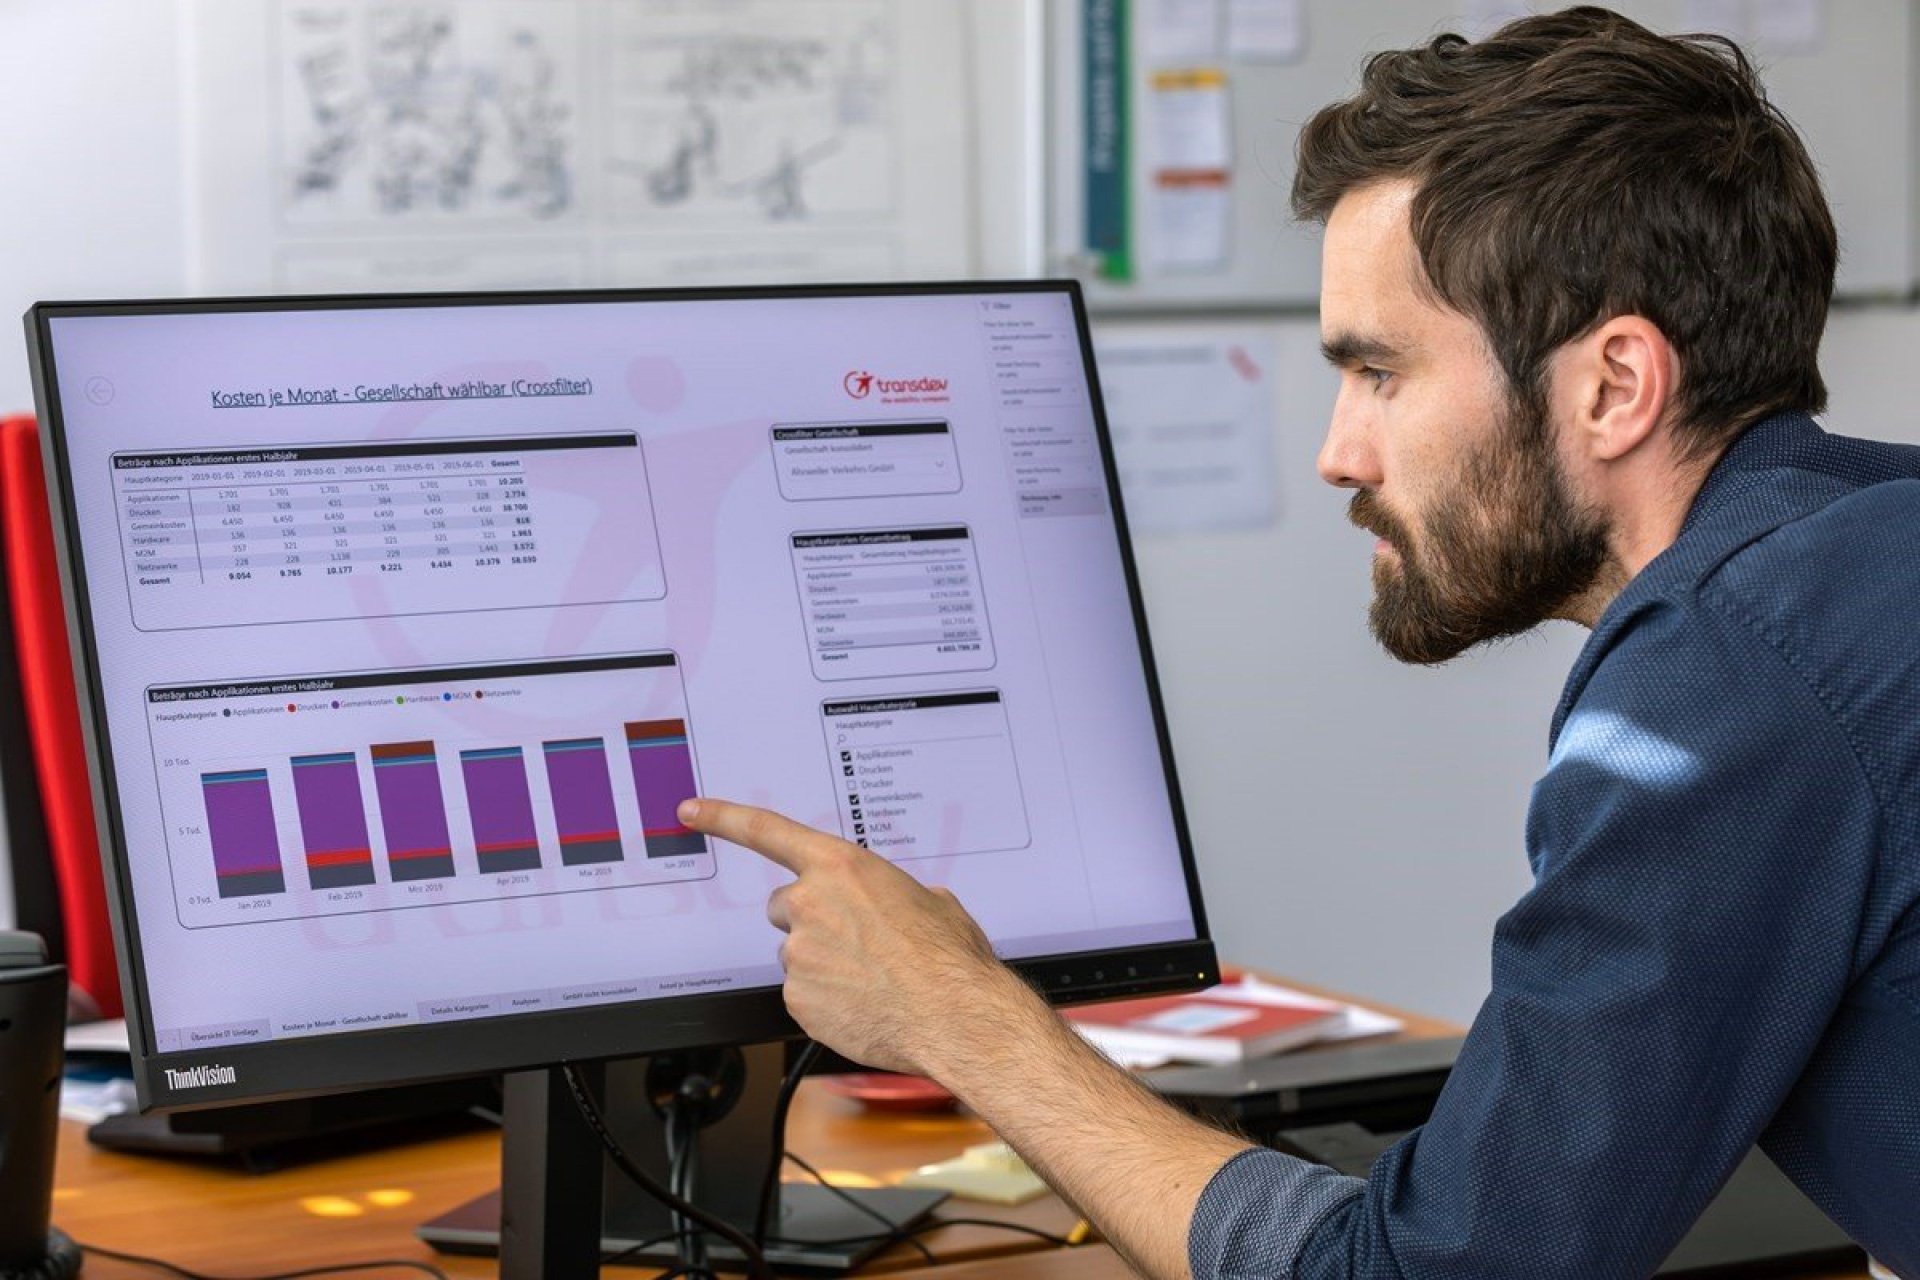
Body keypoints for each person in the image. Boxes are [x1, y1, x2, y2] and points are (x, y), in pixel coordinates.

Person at [680, 8, 1920, 1277]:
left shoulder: (1729, 677)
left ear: (1613, 386)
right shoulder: (1872, 549)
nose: (1339, 452)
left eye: (1381, 372)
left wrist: (961, 1016)